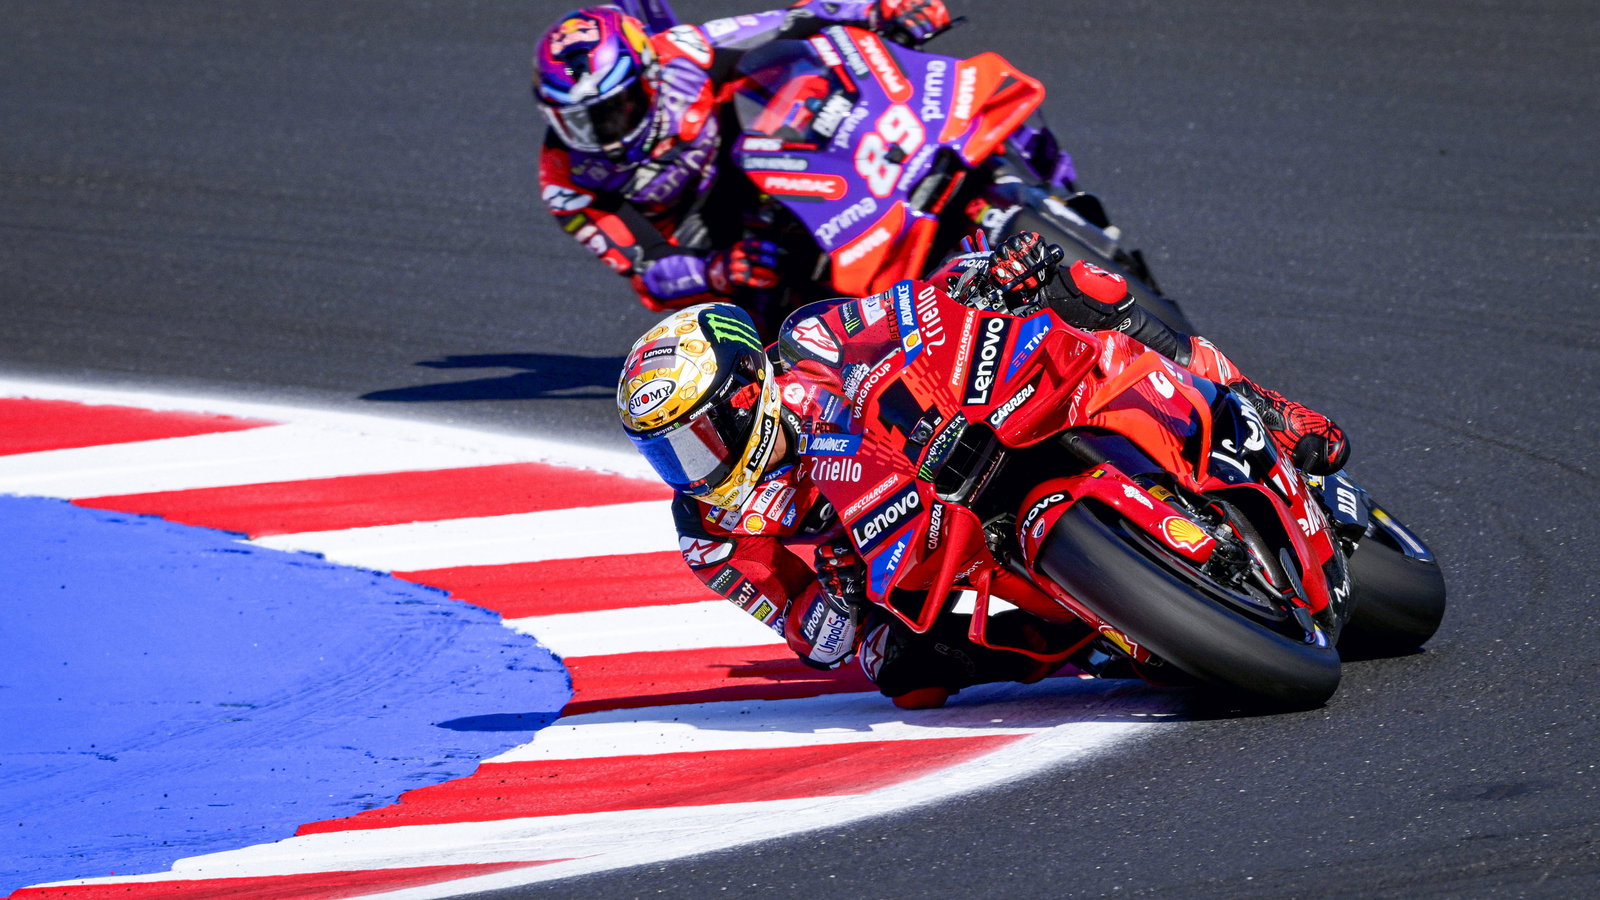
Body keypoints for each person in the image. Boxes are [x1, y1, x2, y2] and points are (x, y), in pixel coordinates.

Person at [616, 232, 1349, 708]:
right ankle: (1089, 636)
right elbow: (806, 629)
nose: (694, 465)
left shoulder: (810, 342)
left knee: (1075, 286)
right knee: (901, 676)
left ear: (749, 392)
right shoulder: (708, 532)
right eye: (670, 452)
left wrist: (980, 276)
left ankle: (1269, 408)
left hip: (951, 429)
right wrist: (841, 609)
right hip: (900, 543)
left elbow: (901, 313)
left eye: (700, 436)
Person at [534, 0, 951, 318]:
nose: (603, 135)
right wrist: (719, 271)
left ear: (649, 77)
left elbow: (794, 20)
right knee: (777, 317)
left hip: (766, 160)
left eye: (613, 109)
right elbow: (648, 271)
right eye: (578, 122)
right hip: (710, 242)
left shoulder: (684, 54)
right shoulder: (566, 179)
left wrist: (880, 9)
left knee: (815, 81)